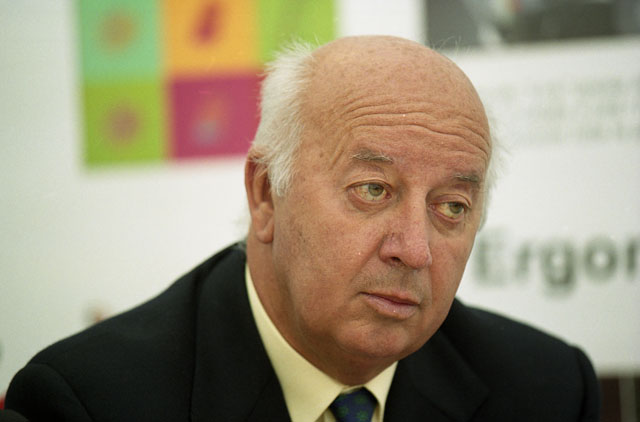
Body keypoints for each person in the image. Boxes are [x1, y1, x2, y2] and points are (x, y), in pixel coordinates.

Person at [5, 36, 600, 421]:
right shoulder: (86, 403)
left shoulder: (548, 392)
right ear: (266, 194)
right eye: (373, 190)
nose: (415, 250)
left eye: (451, 207)